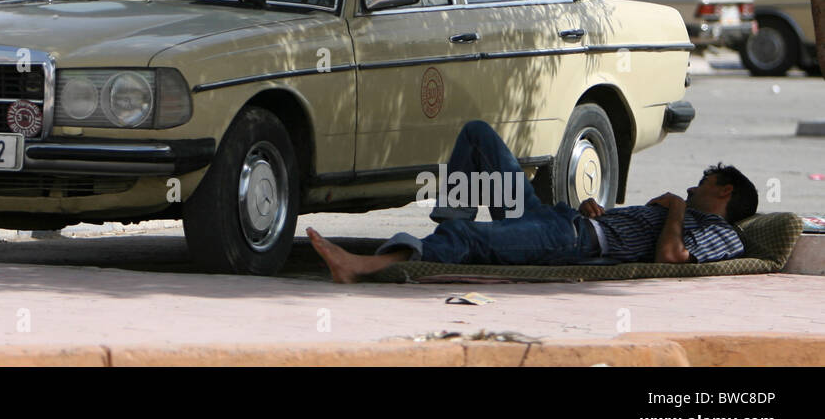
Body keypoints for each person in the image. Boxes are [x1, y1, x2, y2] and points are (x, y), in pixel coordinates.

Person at [306, 120, 756, 284]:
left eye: (704, 180)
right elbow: (635, 232)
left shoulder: (723, 235)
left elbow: (671, 257)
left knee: (467, 236)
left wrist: (676, 207)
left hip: (571, 244)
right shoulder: (688, 213)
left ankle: (364, 266)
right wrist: (594, 210)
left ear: (726, 191)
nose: (695, 186)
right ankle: (452, 236)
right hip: (566, 221)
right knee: (478, 135)